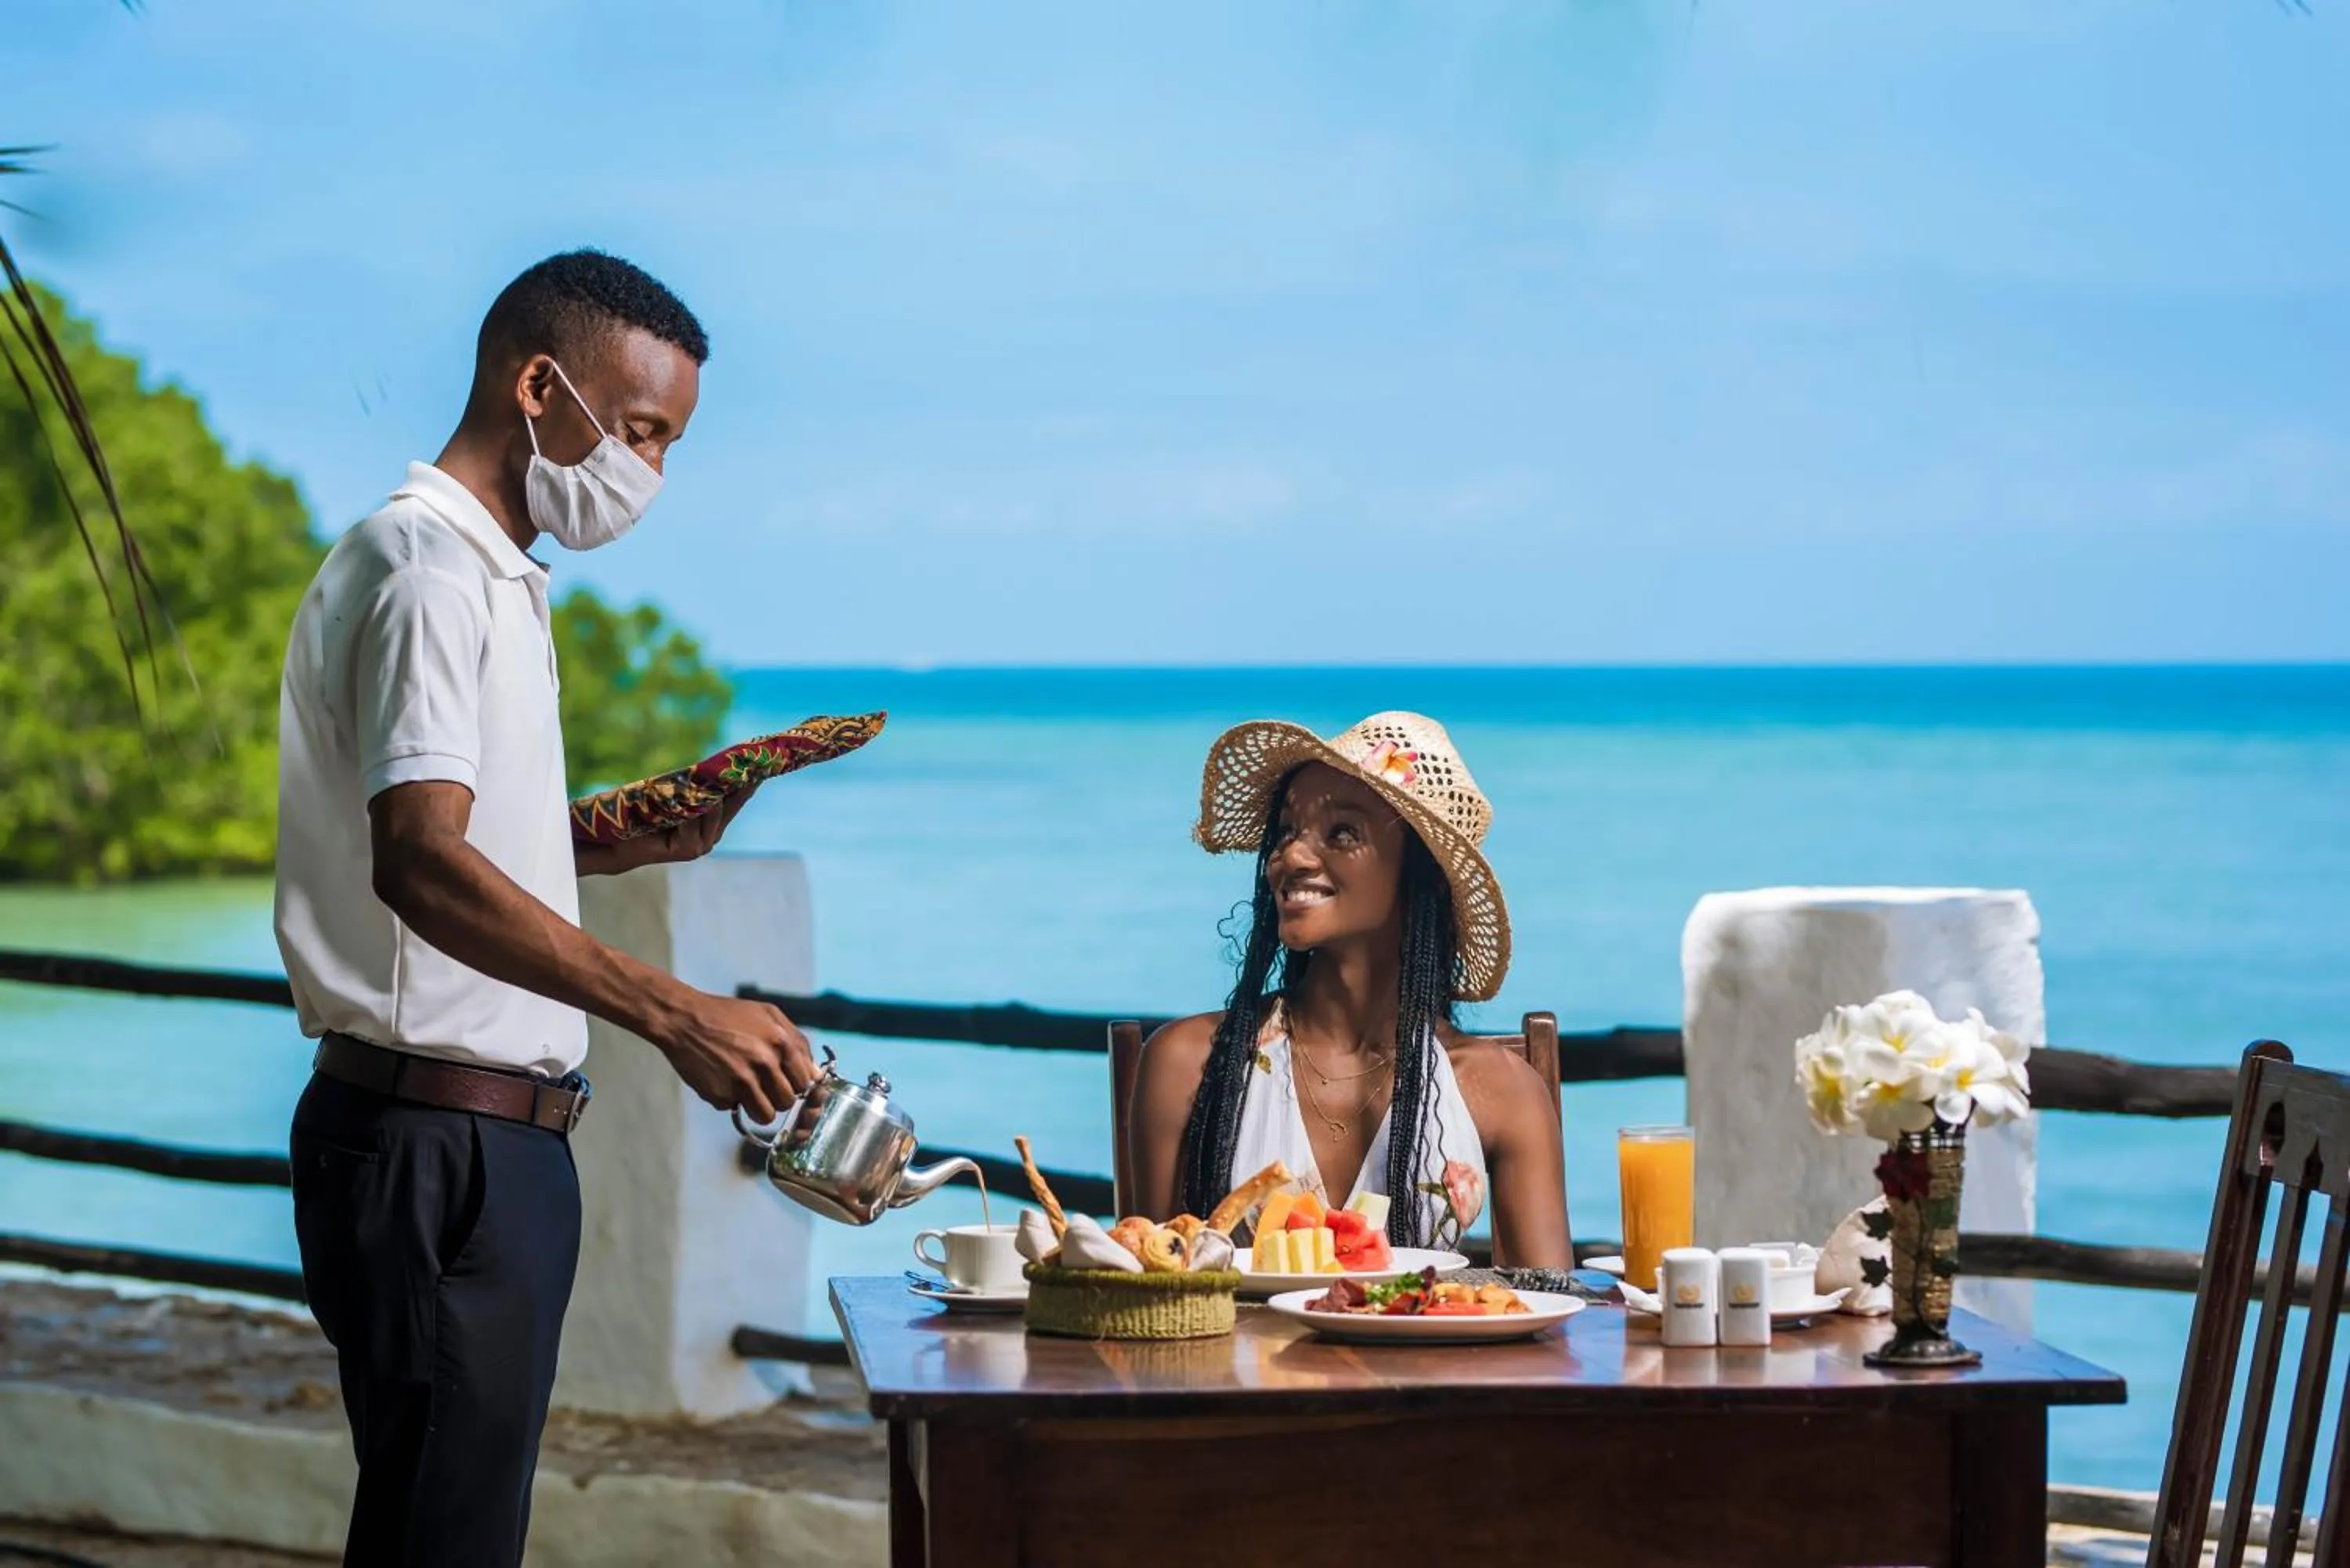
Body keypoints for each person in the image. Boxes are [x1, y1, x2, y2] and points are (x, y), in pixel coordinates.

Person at [273, 248, 816, 1567]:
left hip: (466, 1141)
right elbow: (417, 864)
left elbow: (447, 838)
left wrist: (614, 844)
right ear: (536, 383)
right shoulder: (428, 571)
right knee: (443, 1543)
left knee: (447, 1528)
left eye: (670, 446)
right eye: (638, 432)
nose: (651, 476)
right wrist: (672, 1007)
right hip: (437, 1141)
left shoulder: (491, 577)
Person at [1129, 711, 1569, 1266]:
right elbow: (1147, 1302)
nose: (1289, 857)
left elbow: (1551, 1316)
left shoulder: (1501, 1093)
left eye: (1342, 833)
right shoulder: (1189, 1064)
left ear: (1421, 875)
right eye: (1285, 832)